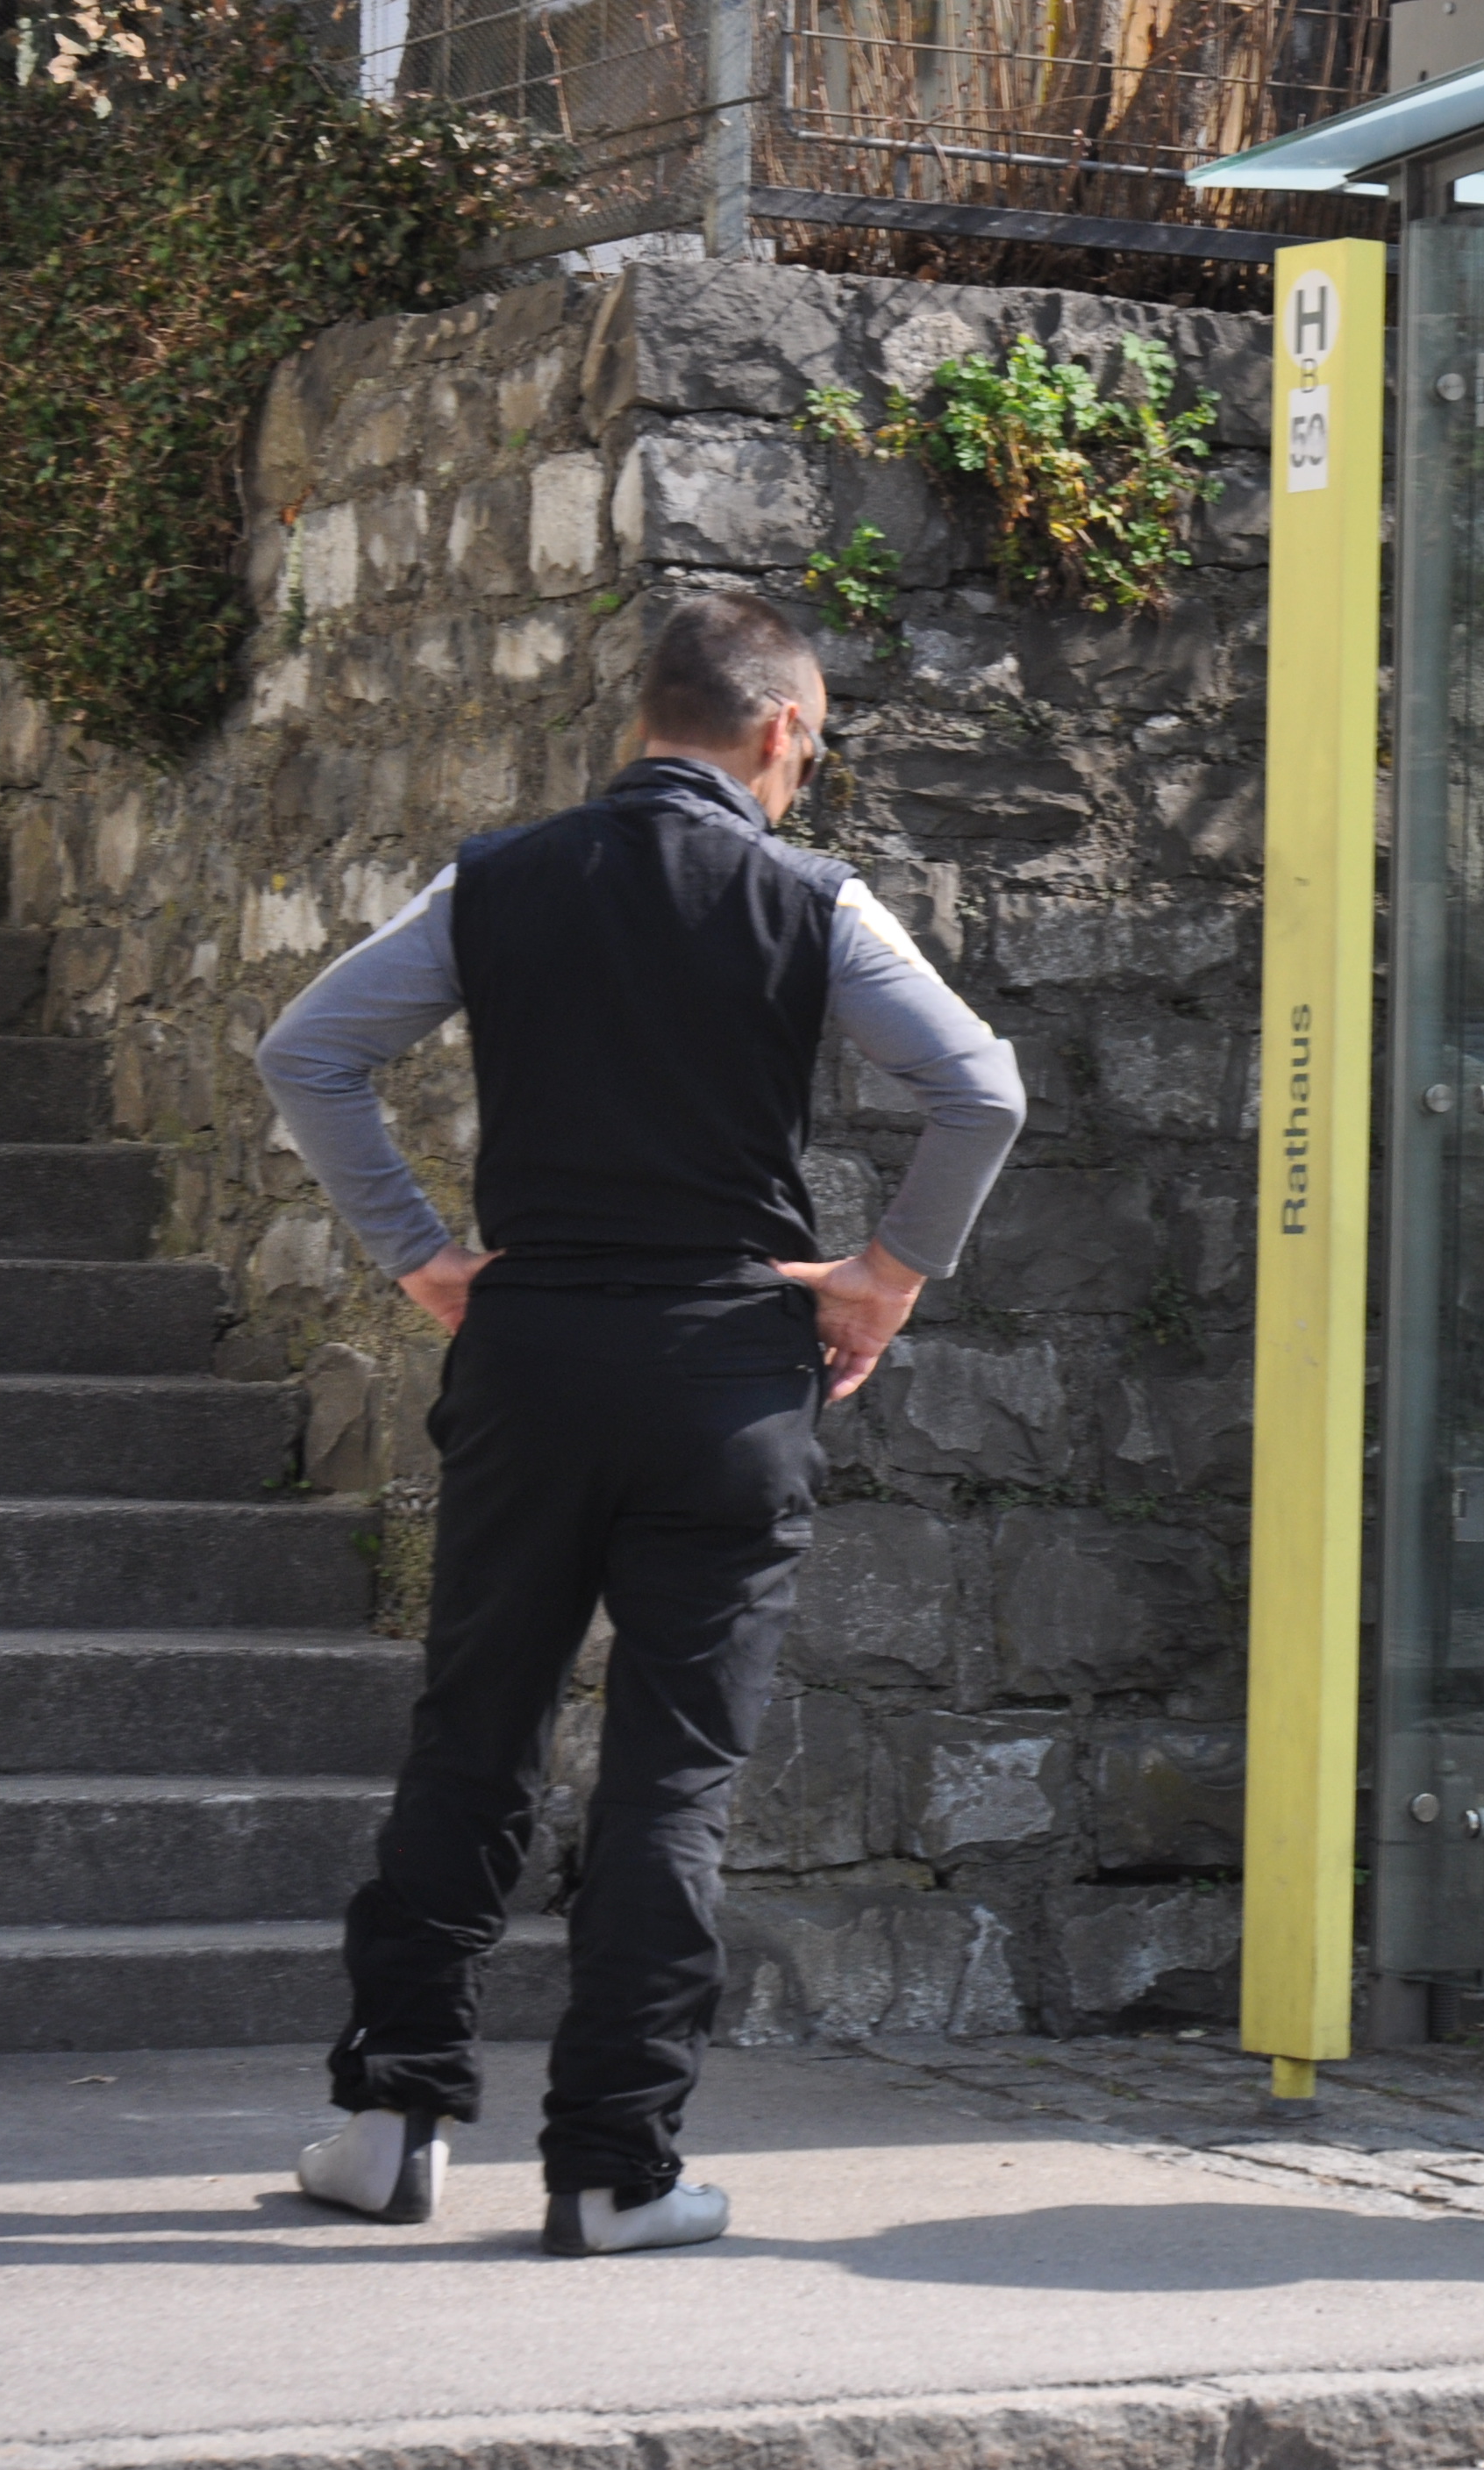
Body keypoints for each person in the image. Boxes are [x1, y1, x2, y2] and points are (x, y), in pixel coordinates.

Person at [254, 592, 1024, 2255]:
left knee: (476, 1732)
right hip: (725, 1380)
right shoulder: (813, 898)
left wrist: (422, 1255)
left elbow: (307, 1052)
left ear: (645, 722)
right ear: (781, 729)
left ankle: (388, 2122)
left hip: (530, 1360)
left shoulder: (495, 882)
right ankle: (615, 2166)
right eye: (812, 746)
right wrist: (886, 1275)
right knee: (673, 1774)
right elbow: (983, 1090)